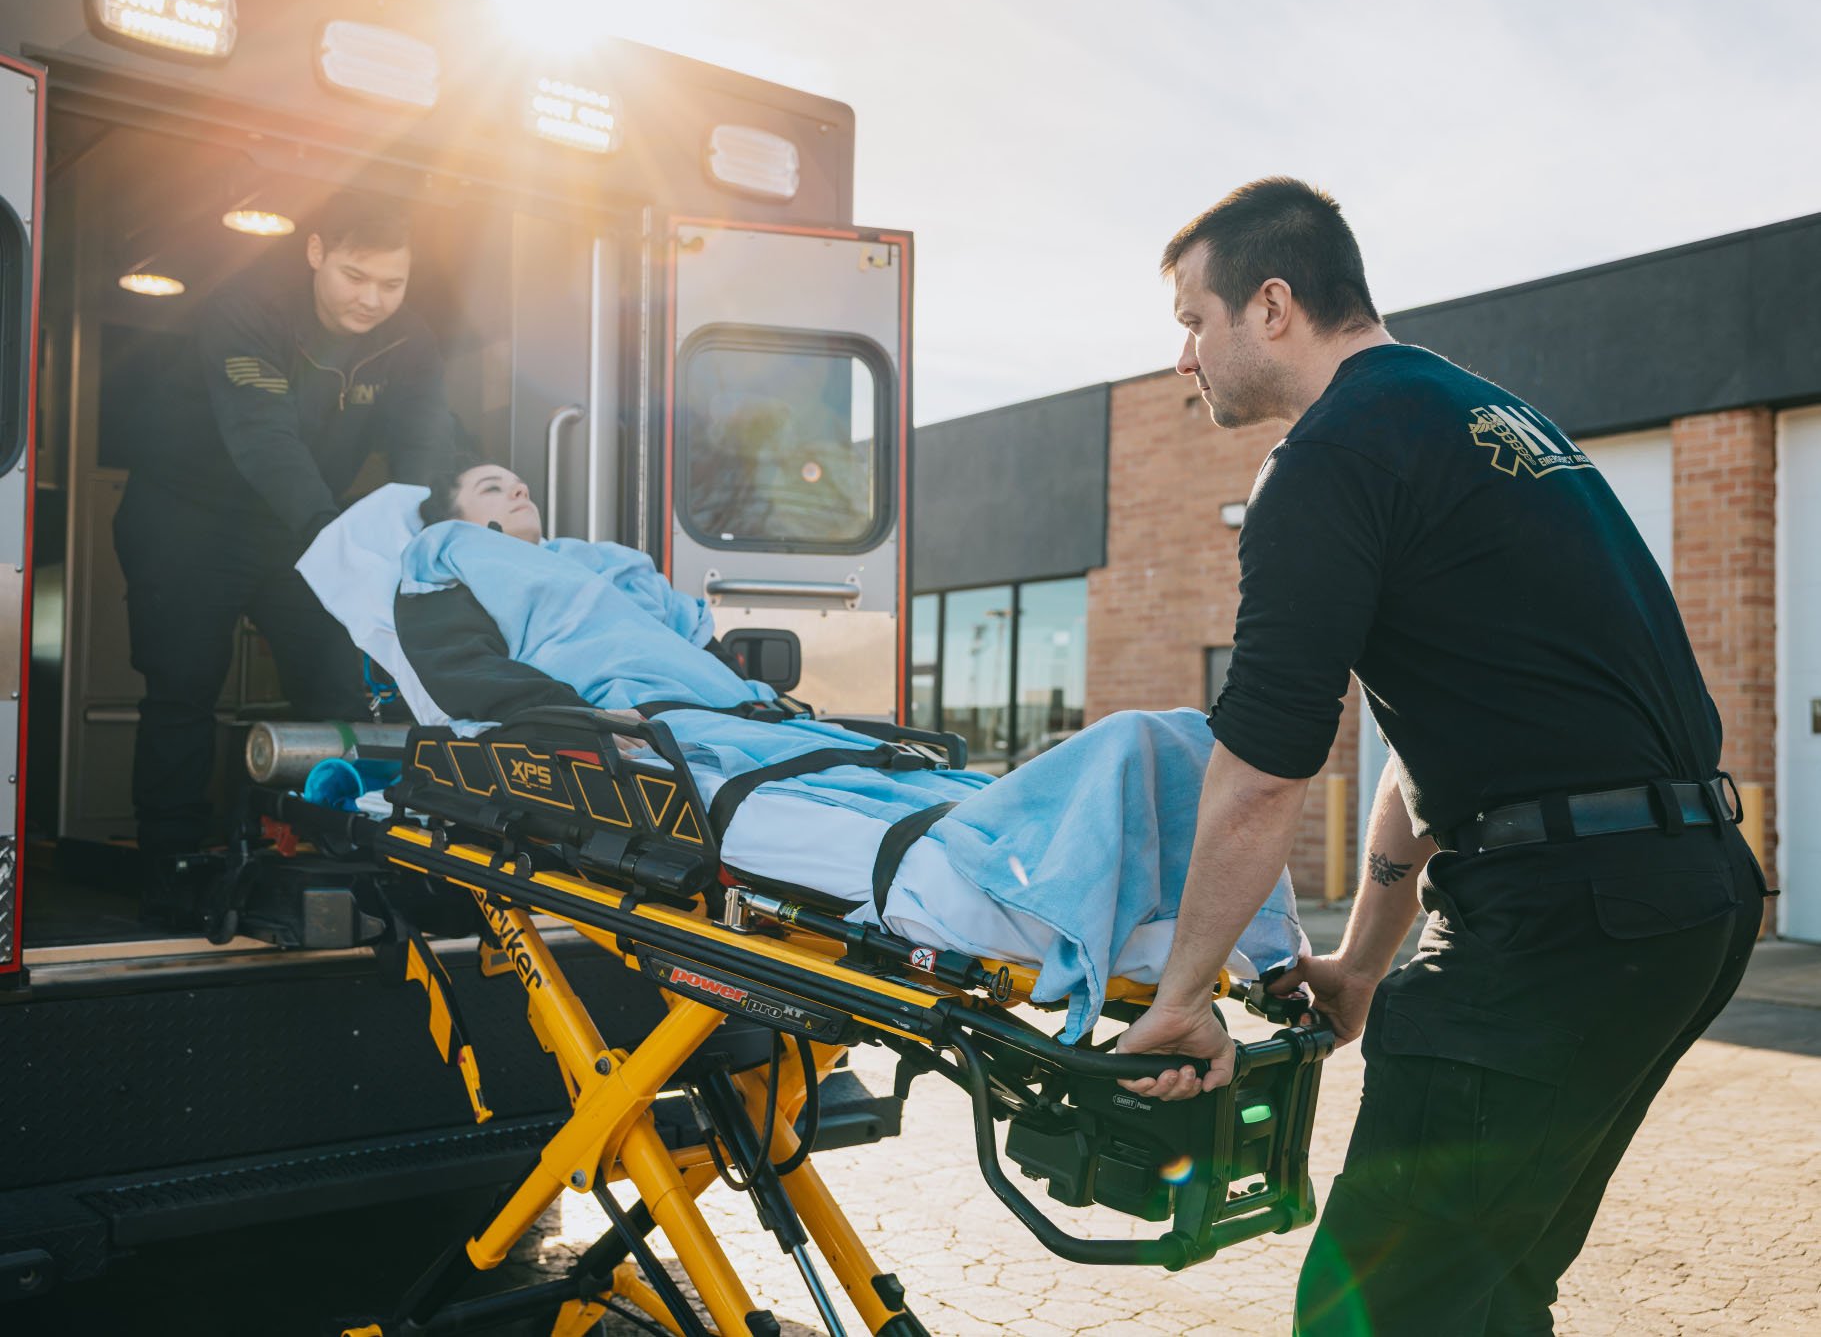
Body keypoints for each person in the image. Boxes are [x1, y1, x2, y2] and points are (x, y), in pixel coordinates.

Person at [1113, 177, 1764, 1335]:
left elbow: (1264, 768)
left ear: (1272, 306)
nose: (1183, 358)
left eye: (1193, 321)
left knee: (1376, 1306)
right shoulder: (1477, 415)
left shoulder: (1328, 457)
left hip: (1564, 921)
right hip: (1682, 897)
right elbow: (1437, 741)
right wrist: (1360, 963)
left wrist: (1180, 999)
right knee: (1488, 1287)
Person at [315, 464, 1306, 1036]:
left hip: (741, 721)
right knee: (995, 799)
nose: (517, 486)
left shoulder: (606, 563)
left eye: (520, 478)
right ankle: (1090, 892)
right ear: (458, 514)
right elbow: (465, 682)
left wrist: (753, 700)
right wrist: (579, 728)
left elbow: (694, 641)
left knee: (932, 784)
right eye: (493, 483)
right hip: (645, 731)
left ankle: (1159, 886)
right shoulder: (445, 556)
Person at [115, 190, 457, 861]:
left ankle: (340, 853)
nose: (372, 299)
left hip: (294, 527)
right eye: (354, 276)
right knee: (183, 687)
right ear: (316, 251)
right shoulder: (248, 309)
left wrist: (425, 541)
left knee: (339, 691)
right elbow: (263, 437)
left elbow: (425, 447)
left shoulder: (410, 339)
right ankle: (168, 865)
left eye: (392, 283)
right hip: (186, 517)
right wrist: (335, 537)